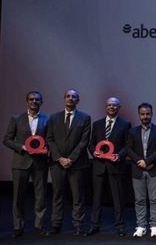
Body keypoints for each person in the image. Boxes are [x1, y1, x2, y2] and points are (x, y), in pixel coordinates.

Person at [45, 89, 92, 235]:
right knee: (57, 195)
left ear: (78, 100)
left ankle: (78, 225)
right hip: (57, 163)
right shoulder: (54, 118)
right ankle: (56, 224)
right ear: (64, 99)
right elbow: (50, 139)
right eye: (68, 96)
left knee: (77, 195)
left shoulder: (85, 118)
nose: (70, 98)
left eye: (74, 97)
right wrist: (60, 158)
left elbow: (84, 141)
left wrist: (70, 159)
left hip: (77, 163)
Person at [3, 91, 49, 237]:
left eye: (37, 100)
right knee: (18, 196)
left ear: (41, 102)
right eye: (31, 99)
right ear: (26, 102)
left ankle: (39, 226)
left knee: (40, 196)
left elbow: (50, 139)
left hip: (40, 162)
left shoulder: (47, 119)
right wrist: (23, 147)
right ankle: (18, 226)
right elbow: (7, 139)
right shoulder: (16, 119)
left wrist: (46, 148)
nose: (34, 102)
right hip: (20, 162)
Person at [87, 97, 132, 237]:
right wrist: (93, 152)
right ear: (105, 107)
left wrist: (119, 155)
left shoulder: (125, 124)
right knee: (97, 198)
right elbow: (91, 143)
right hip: (99, 166)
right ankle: (94, 225)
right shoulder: (98, 124)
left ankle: (120, 226)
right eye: (109, 105)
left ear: (119, 108)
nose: (112, 107)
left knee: (118, 198)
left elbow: (128, 145)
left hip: (116, 166)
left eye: (114, 105)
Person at [126, 103, 156, 237]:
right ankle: (141, 226)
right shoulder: (132, 131)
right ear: (139, 115)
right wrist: (140, 162)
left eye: (147, 114)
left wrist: (147, 162)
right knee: (139, 200)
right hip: (137, 170)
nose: (145, 116)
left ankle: (154, 226)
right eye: (142, 114)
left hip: (154, 169)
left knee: (154, 199)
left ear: (152, 114)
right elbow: (129, 149)